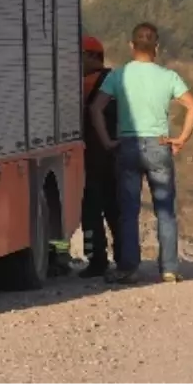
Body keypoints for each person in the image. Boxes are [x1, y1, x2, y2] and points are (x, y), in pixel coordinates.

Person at [89, 22, 193, 285]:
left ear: (131, 46)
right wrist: (181, 138)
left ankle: (128, 267)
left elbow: (95, 109)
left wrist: (107, 141)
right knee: (165, 211)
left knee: (128, 211)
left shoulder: (118, 76)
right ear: (157, 48)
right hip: (160, 145)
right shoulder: (168, 77)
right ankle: (169, 269)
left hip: (127, 145)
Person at [78, 35, 121, 278]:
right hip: (102, 156)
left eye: (80, 56)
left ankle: (103, 260)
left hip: (100, 157)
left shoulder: (93, 84)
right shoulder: (111, 81)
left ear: (93, 57)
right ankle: (111, 257)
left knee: (100, 211)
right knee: (104, 211)